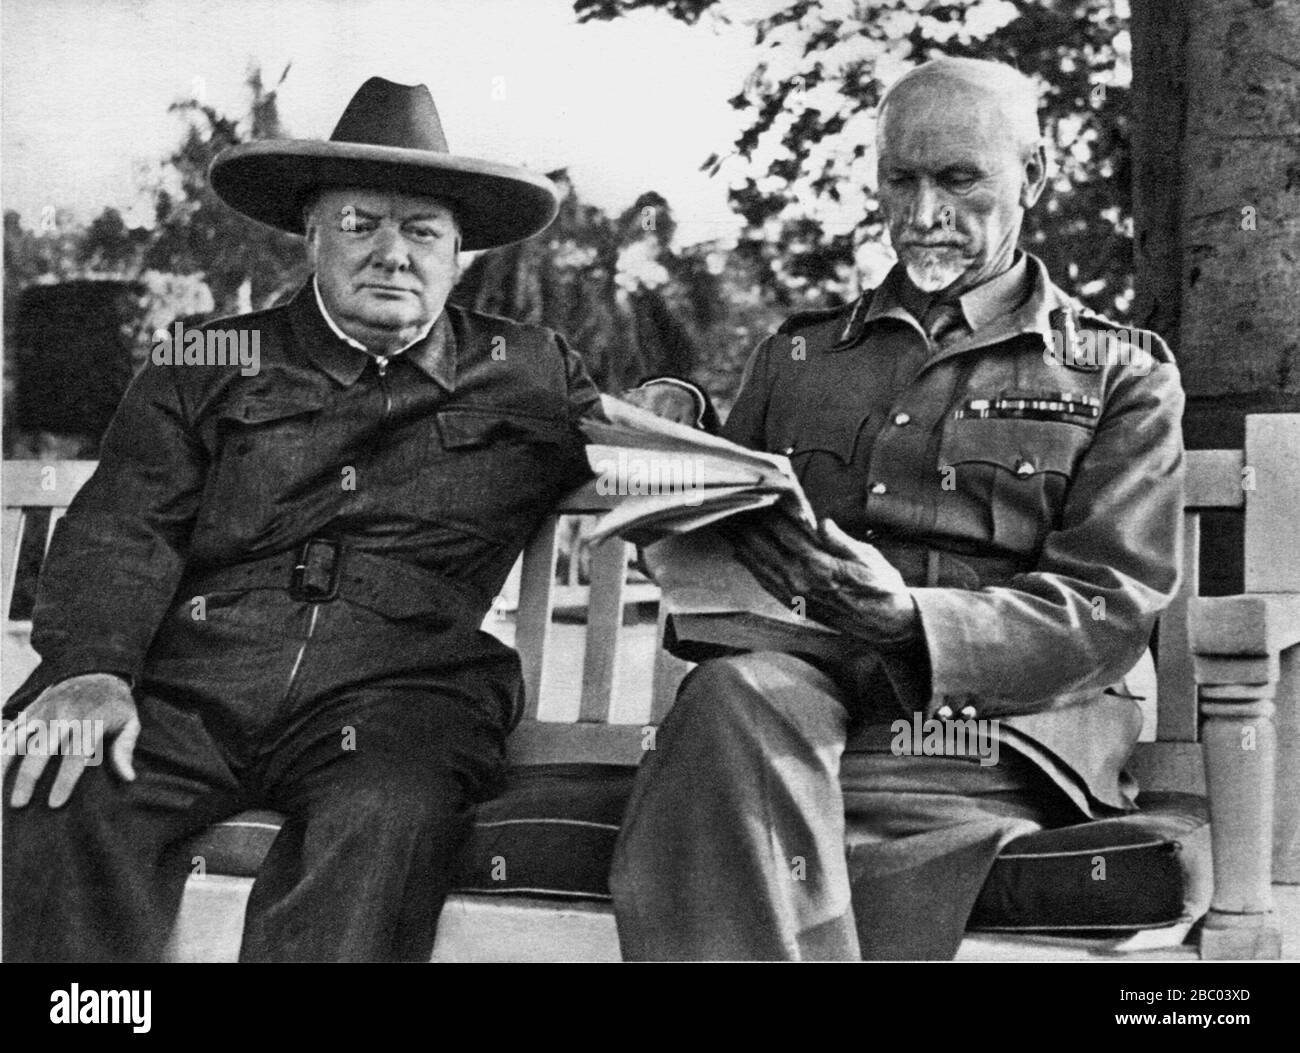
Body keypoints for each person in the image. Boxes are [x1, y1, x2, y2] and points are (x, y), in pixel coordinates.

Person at [1, 76, 686, 963]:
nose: (392, 254)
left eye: (423, 231)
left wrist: (676, 413)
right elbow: (122, 525)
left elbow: (639, 447)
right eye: (362, 224)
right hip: (199, 680)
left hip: (403, 690)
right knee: (64, 786)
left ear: (459, 255)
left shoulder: (528, 370)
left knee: (387, 811)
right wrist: (92, 668)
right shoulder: (210, 359)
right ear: (311, 235)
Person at [609, 57, 1186, 961]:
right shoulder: (798, 355)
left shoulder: (1120, 374)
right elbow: (721, 533)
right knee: (730, 700)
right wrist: (675, 435)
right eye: (900, 179)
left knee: (732, 794)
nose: (923, 215)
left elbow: (1109, 608)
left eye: (959, 179)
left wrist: (912, 620)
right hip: (793, 712)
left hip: (992, 735)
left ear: (1031, 176)